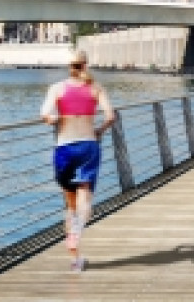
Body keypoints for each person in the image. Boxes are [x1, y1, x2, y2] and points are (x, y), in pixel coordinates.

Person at [41, 50, 116, 272]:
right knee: (86, 197)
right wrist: (99, 130)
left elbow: (45, 115)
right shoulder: (96, 88)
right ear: (86, 65)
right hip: (88, 147)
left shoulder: (57, 88)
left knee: (70, 203)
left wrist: (55, 120)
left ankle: (75, 260)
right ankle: (77, 232)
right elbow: (110, 116)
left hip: (64, 148)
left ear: (69, 67)